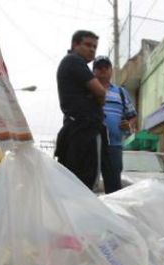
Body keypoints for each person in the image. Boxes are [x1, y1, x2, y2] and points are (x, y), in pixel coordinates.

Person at [54, 30, 110, 190]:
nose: (92, 49)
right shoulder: (74, 61)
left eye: (95, 46)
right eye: (88, 45)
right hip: (84, 132)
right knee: (86, 184)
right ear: (75, 45)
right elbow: (100, 92)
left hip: (77, 130)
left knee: (73, 184)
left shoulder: (72, 62)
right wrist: (98, 98)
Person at [92, 55, 137, 194]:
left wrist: (128, 124)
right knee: (88, 185)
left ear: (111, 70)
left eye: (106, 67)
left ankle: (113, 214)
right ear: (94, 71)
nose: (103, 70)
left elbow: (132, 116)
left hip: (114, 146)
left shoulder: (121, 92)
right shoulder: (88, 90)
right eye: (99, 67)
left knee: (114, 188)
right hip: (92, 145)